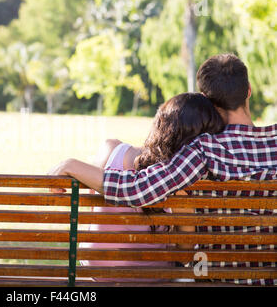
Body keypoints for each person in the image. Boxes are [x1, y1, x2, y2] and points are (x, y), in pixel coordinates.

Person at [50, 54, 276, 285]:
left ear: (207, 101)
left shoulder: (204, 150)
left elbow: (138, 189)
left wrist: (71, 165)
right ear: (248, 90)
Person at [80, 93, 224, 283]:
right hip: (152, 276)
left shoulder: (110, 149)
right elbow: (186, 252)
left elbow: (90, 203)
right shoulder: (180, 180)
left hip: (97, 270)